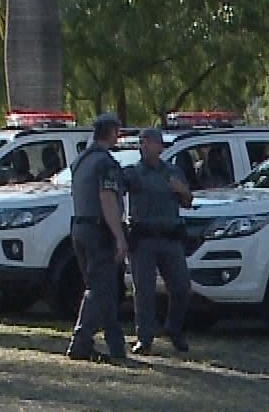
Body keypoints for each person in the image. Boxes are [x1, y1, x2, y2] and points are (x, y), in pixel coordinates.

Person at [66, 114, 135, 364]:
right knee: (98, 288)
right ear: (113, 132)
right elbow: (107, 199)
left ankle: (116, 345)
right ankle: (80, 341)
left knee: (104, 290)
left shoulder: (81, 160)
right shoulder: (105, 163)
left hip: (79, 227)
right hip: (98, 231)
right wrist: (119, 237)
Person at [124, 127, 195, 355]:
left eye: (149, 142)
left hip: (170, 237)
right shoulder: (134, 173)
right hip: (143, 239)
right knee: (143, 291)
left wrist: (182, 190)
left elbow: (188, 202)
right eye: (142, 143)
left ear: (159, 146)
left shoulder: (172, 172)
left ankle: (174, 328)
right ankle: (144, 338)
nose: (144, 146)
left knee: (182, 287)